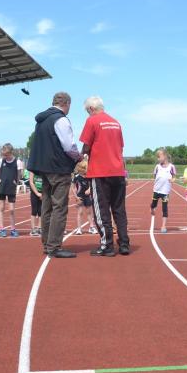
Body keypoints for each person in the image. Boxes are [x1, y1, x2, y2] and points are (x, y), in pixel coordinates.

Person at [27, 92, 81, 258]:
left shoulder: (41, 121)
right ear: (67, 103)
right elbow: (69, 146)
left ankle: (47, 243)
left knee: (47, 206)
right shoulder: (61, 119)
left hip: (44, 169)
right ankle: (54, 247)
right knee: (59, 207)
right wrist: (78, 157)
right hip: (59, 168)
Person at [80, 95, 130, 256]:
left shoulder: (92, 121)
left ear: (91, 109)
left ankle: (107, 245)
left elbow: (86, 146)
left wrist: (81, 157)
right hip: (118, 171)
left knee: (101, 210)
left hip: (100, 172)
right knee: (119, 209)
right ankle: (124, 244)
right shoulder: (116, 122)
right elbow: (120, 147)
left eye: (87, 111)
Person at [0, 143, 23, 238]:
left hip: (11, 187)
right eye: (4, 155)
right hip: (2, 187)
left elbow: (19, 174)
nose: (5, 156)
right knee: (1, 208)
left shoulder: (17, 162)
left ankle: (13, 229)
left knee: (11, 209)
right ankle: (1, 229)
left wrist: (16, 182)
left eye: (7, 154)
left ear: (11, 152)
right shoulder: (1, 161)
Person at [151, 148, 176, 234]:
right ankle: (152, 208)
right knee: (154, 204)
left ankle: (163, 226)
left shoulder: (171, 167)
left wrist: (172, 180)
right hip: (157, 190)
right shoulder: (157, 167)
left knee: (164, 208)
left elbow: (174, 177)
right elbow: (154, 176)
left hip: (165, 192)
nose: (158, 159)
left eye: (159, 157)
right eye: (157, 157)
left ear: (165, 156)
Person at [72, 160, 95, 235]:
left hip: (87, 196)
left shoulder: (89, 176)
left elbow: (92, 184)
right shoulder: (76, 177)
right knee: (80, 212)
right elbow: (73, 187)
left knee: (89, 212)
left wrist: (89, 189)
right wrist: (76, 197)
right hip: (80, 197)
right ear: (81, 169)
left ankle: (91, 227)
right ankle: (79, 229)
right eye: (85, 168)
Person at [28, 171, 43, 236]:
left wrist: (43, 193)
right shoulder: (32, 170)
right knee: (34, 210)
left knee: (41, 211)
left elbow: (46, 182)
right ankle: (33, 228)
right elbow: (31, 182)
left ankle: (40, 228)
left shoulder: (44, 170)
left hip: (42, 192)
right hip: (34, 193)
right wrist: (37, 193)